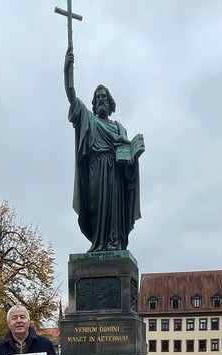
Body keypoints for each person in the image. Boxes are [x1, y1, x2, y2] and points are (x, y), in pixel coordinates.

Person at [64, 46, 143, 252]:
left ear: (110, 103)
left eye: (104, 97)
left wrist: (133, 158)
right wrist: (68, 70)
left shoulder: (119, 128)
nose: (101, 100)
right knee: (96, 210)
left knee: (114, 215)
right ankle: (98, 243)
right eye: (97, 97)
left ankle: (113, 243)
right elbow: (71, 95)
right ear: (93, 103)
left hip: (115, 176)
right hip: (95, 172)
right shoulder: (88, 119)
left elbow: (128, 164)